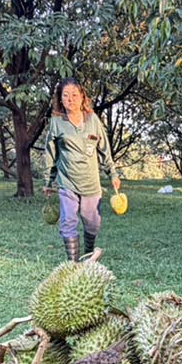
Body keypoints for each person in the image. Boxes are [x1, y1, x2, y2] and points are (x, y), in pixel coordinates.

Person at [33, 81, 123, 262]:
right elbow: (51, 153)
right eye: (65, 95)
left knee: (93, 223)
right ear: (60, 99)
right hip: (67, 182)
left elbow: (104, 148)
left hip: (91, 183)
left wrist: (112, 173)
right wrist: (48, 181)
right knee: (68, 222)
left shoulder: (93, 120)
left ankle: (89, 257)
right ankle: (73, 265)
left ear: (82, 97)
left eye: (74, 94)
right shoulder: (57, 123)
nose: (70, 99)